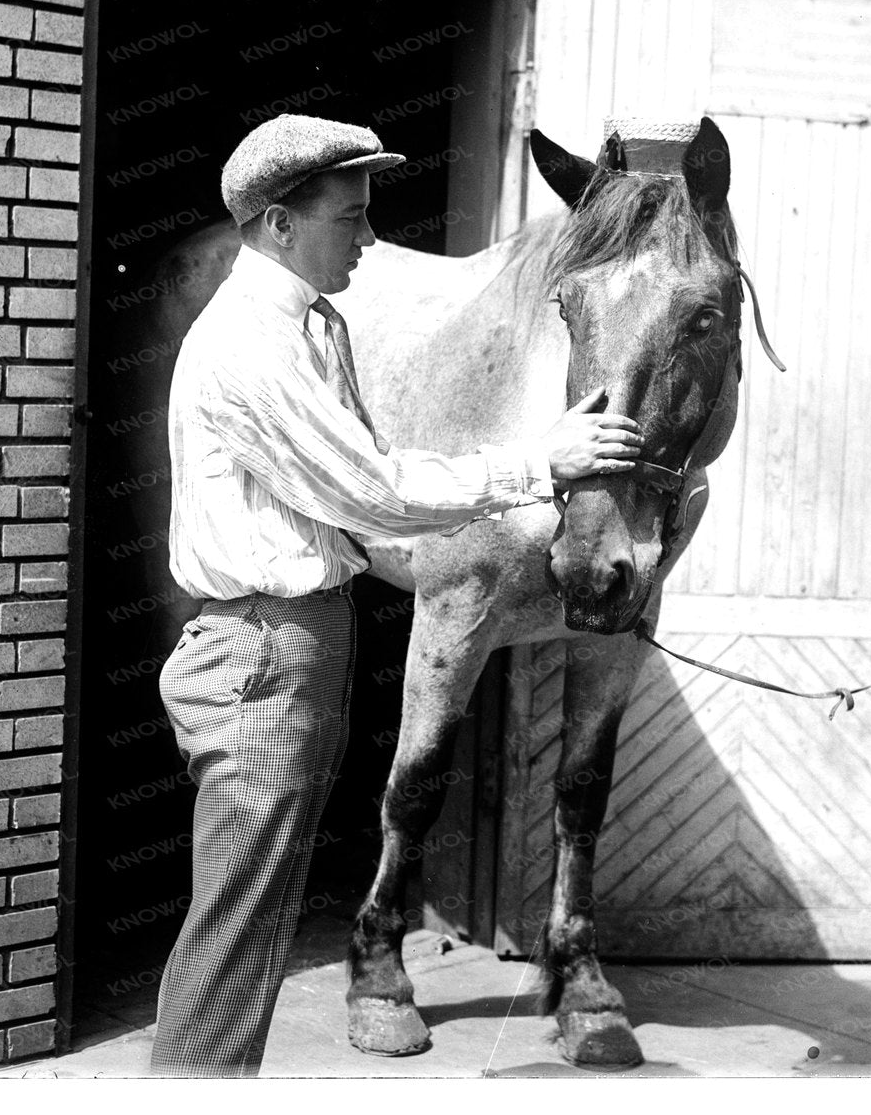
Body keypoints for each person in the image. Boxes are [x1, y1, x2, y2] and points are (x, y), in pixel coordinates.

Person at [148, 114, 642, 1076]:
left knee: (247, 939)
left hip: (298, 648)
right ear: (281, 225)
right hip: (259, 654)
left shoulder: (315, 326)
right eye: (351, 218)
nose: (372, 242)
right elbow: (374, 489)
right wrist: (536, 464)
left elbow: (376, 473)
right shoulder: (253, 344)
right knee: (233, 940)